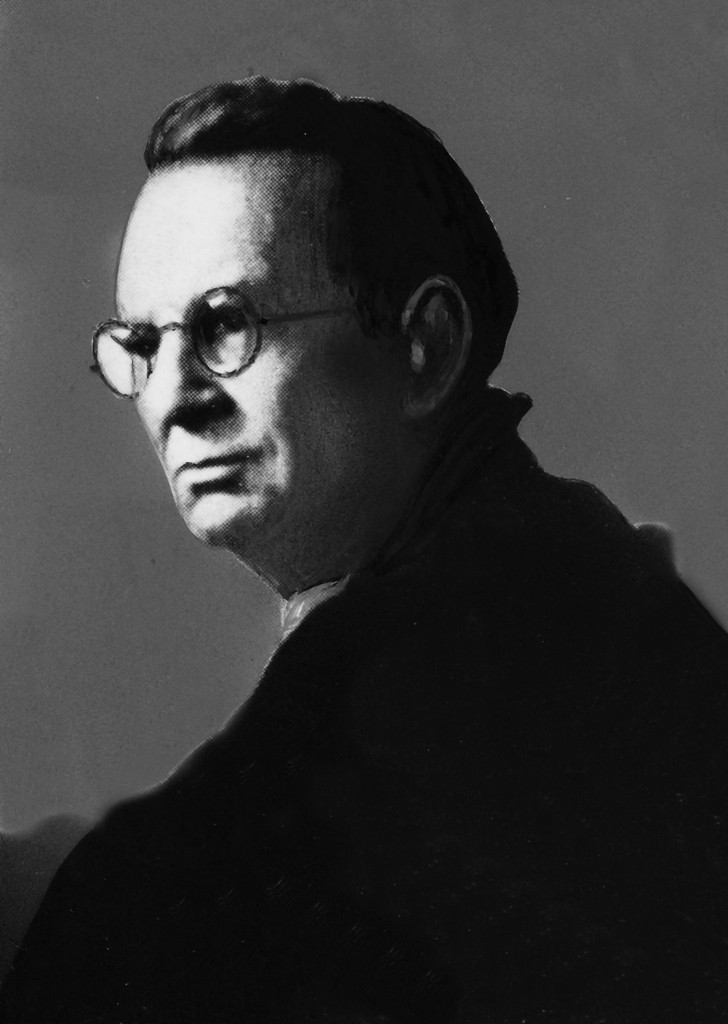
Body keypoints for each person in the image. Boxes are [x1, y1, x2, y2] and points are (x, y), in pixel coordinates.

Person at [1, 76, 726, 1023]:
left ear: (426, 347)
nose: (174, 398)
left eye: (226, 325)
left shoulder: (448, 676)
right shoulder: (581, 573)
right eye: (140, 344)